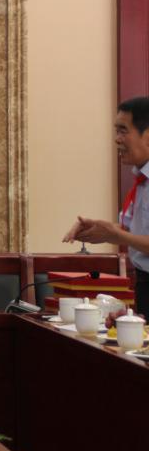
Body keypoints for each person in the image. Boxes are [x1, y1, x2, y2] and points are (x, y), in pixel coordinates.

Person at [63, 97, 149, 317]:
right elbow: (133, 232)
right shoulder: (141, 181)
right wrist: (100, 229)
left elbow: (126, 236)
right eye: (116, 131)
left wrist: (116, 235)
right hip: (143, 283)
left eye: (123, 131)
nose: (117, 139)